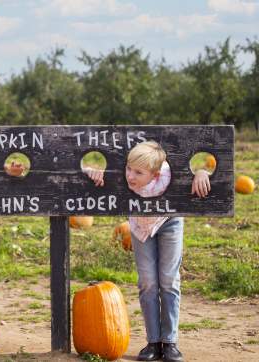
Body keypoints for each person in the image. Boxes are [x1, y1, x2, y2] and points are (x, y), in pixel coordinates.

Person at [84, 141, 211, 362]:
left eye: (138, 173)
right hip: (140, 225)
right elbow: (80, 169)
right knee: (148, 282)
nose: (130, 176)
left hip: (169, 221)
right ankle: (153, 342)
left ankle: (170, 342)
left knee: (169, 280)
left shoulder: (167, 176)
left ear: (154, 175)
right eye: (128, 169)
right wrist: (92, 171)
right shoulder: (126, 177)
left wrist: (201, 172)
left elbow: (196, 170)